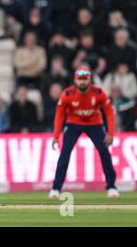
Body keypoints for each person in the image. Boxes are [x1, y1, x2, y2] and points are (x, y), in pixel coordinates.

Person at [49, 66, 119, 199]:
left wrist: (110, 133)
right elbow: (59, 115)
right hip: (73, 124)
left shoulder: (99, 93)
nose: (82, 82)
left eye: (85, 79)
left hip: (95, 124)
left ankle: (111, 186)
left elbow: (109, 112)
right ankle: (55, 188)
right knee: (64, 154)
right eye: (80, 79)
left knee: (104, 153)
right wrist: (56, 136)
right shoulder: (67, 94)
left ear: (90, 79)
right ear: (75, 80)